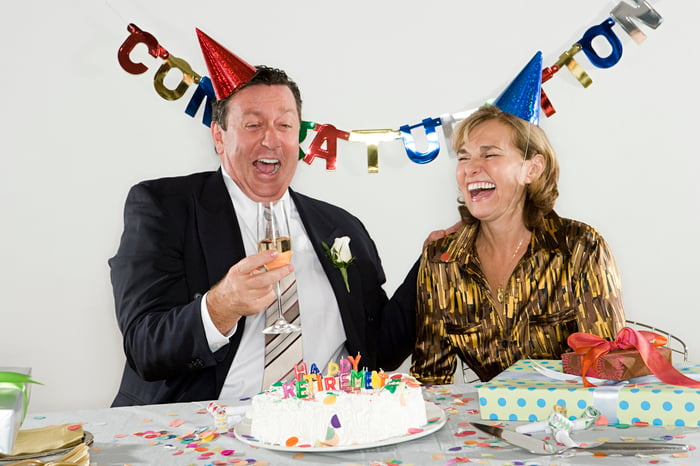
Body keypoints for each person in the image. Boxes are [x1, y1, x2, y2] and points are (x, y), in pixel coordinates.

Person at [108, 29, 417, 407]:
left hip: (320, 428)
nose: (271, 139)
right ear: (219, 137)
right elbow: (145, 347)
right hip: (206, 430)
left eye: (285, 125)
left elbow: (376, 348)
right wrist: (220, 306)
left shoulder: (341, 226)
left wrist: (431, 263)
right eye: (253, 124)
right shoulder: (164, 207)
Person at [409, 52, 626, 384]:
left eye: (490, 154)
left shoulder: (581, 248)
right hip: (486, 430)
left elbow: (609, 368)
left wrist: (532, 382)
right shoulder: (441, 260)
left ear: (532, 168)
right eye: (464, 157)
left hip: (574, 427)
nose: (470, 168)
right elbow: (431, 381)